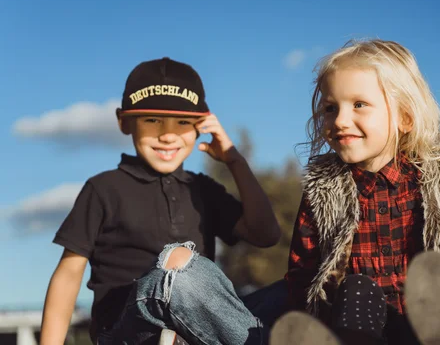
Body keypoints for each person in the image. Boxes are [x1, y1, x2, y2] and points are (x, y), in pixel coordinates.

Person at [284, 39, 440, 344]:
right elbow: (302, 277)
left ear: (405, 118)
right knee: (357, 290)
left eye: (358, 105)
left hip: (426, 329)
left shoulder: (439, 182)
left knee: (439, 291)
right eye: (330, 108)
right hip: (356, 331)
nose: (340, 120)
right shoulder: (323, 190)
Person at [40, 57, 283, 345]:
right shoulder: (103, 188)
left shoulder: (202, 188)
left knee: (295, 288)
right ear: (124, 122)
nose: (167, 135)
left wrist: (233, 159)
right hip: (128, 331)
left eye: (183, 122)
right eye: (153, 120)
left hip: (194, 325)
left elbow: (265, 235)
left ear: (200, 127)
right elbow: (68, 275)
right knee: (180, 265)